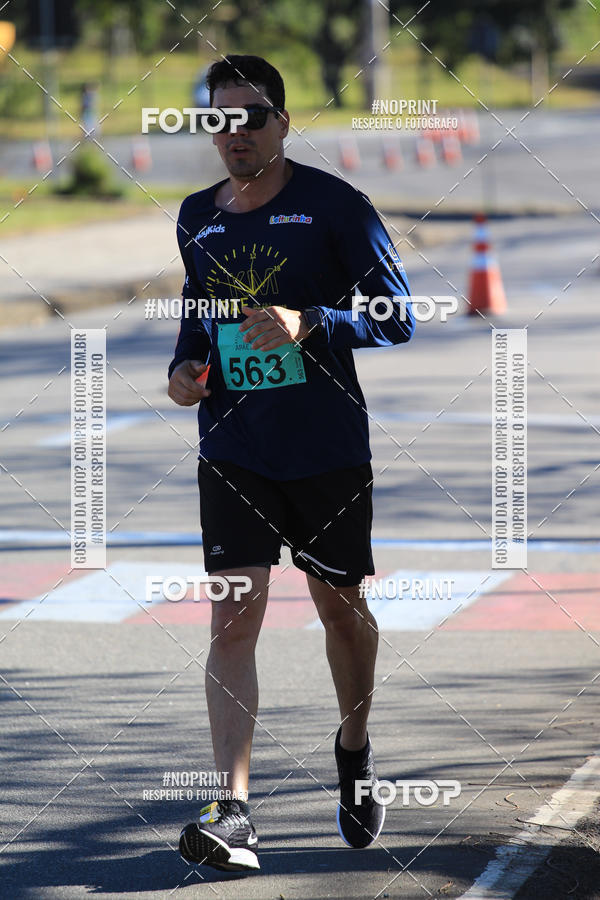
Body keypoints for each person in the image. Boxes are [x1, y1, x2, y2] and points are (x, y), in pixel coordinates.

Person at [167, 54, 414, 873]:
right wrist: (185, 370)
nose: (234, 133)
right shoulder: (197, 215)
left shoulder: (337, 207)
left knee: (341, 609)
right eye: (220, 118)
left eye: (251, 116)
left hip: (325, 451)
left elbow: (397, 313)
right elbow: (200, 320)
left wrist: (310, 321)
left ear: (282, 122)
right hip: (233, 450)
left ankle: (354, 748)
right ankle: (234, 810)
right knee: (231, 619)